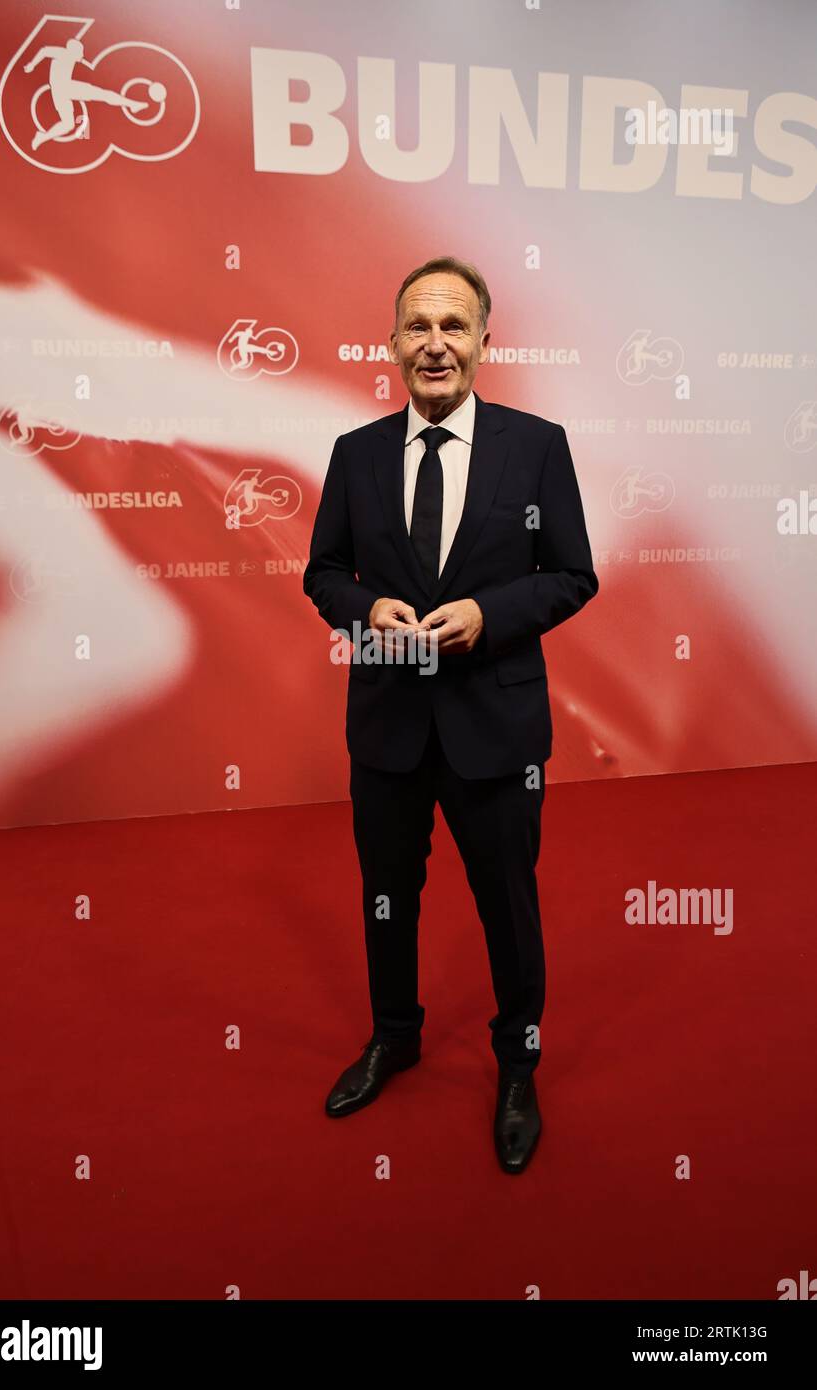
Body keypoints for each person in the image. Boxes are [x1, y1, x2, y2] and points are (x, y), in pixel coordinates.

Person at [302, 256, 598, 1173]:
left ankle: (518, 1063)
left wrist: (490, 615)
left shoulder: (537, 444)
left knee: (508, 904)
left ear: (483, 342)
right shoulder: (354, 452)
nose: (436, 344)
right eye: (418, 327)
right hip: (387, 724)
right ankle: (396, 1036)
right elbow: (323, 572)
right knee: (387, 898)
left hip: (496, 730)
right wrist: (363, 612)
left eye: (455, 326)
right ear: (392, 343)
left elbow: (573, 574)